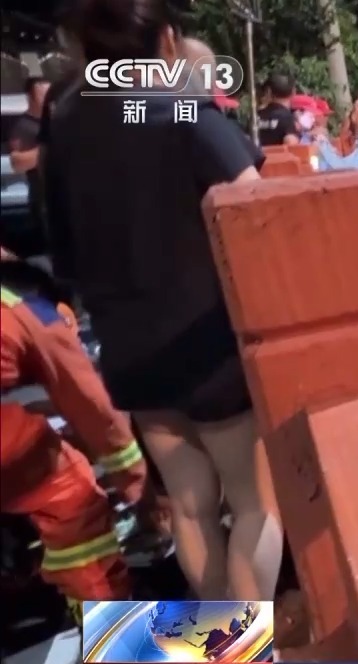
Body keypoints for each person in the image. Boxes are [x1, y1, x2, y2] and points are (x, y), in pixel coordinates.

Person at [44, 0, 282, 601]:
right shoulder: (175, 109)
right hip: (208, 344)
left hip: (129, 348)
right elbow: (258, 205)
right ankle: (243, 642)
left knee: (191, 507)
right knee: (254, 505)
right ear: (168, 43)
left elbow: (62, 243)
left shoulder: (66, 120)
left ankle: (218, 637)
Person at [2, 274, 150, 623]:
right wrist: (138, 486)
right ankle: (113, 627)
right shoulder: (28, 307)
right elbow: (94, 409)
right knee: (70, 498)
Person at [8, 77, 51, 242]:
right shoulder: (24, 127)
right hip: (43, 201)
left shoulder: (54, 122)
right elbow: (17, 163)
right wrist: (50, 148)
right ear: (30, 97)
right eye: (43, 95)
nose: (48, 100)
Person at [257, 72, 299, 146]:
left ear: (269, 92)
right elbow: (291, 142)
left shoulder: (256, 116)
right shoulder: (286, 117)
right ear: (293, 92)